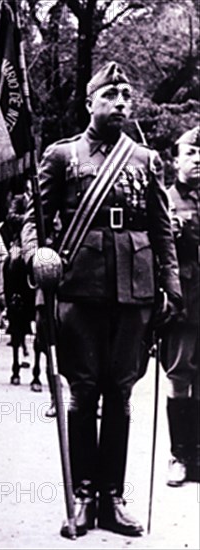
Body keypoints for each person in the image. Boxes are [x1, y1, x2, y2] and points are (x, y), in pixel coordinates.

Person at [22, 61, 182, 538]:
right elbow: (35, 216)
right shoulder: (61, 156)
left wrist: (169, 284)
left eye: (126, 97)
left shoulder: (145, 159)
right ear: (90, 102)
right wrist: (35, 255)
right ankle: (84, 496)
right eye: (110, 96)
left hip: (133, 290)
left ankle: (113, 496)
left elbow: (161, 230)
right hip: (79, 286)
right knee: (83, 391)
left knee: (122, 393)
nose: (120, 104)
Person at [161, 126, 200, 487]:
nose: (199, 159)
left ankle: (197, 457)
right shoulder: (165, 200)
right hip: (184, 304)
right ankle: (179, 456)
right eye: (191, 153)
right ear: (175, 160)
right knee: (179, 377)